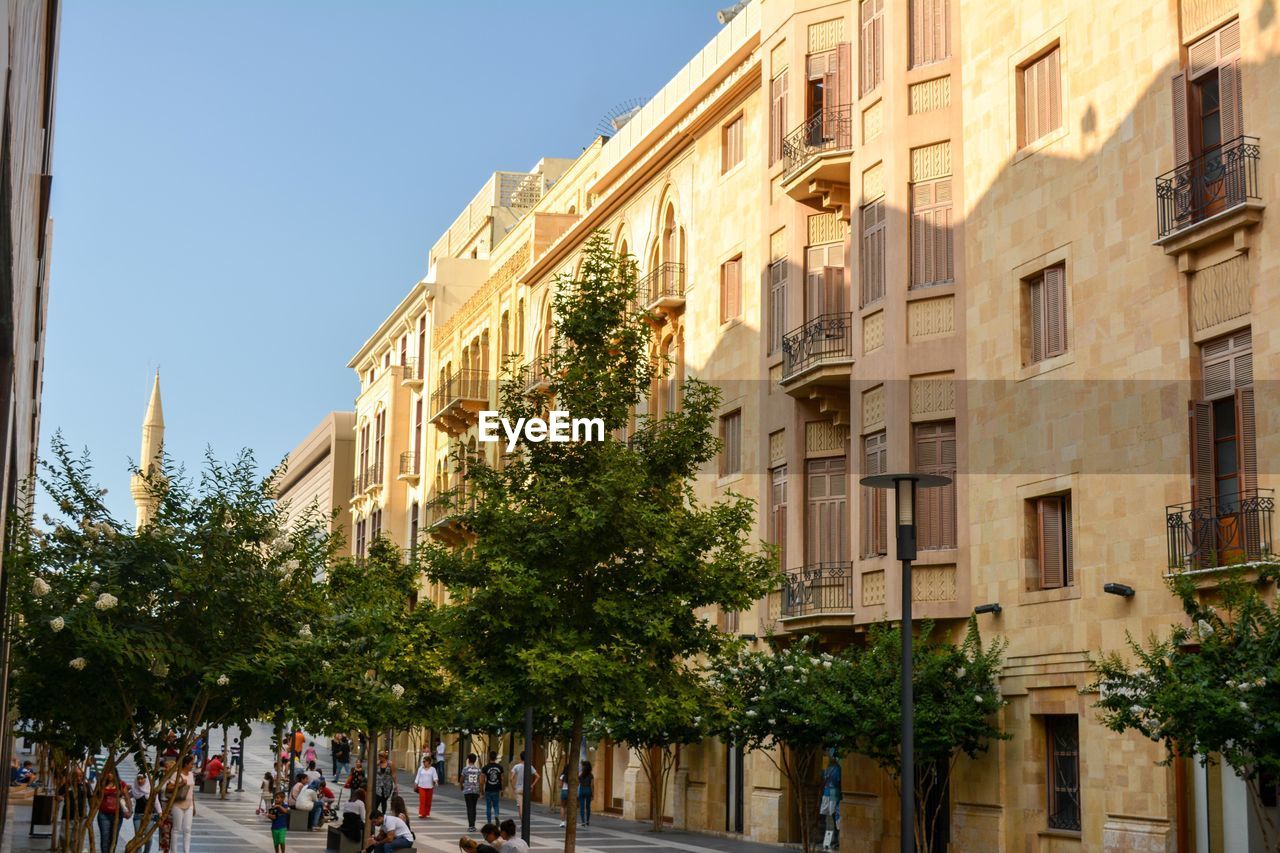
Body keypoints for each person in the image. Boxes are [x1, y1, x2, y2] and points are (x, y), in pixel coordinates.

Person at [96, 768, 130, 853]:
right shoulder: (102, 784)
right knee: (105, 838)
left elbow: (127, 798)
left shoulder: (121, 784)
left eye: (111, 773)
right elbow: (95, 797)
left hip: (117, 815)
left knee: (113, 838)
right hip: (103, 814)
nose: (109, 775)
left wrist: (130, 811)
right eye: (108, 773)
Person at [169, 754, 197, 853]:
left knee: (187, 829)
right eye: (191, 764)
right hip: (178, 804)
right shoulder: (176, 774)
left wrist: (194, 806)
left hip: (189, 805)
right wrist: (181, 784)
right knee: (176, 829)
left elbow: (191, 791)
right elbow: (169, 787)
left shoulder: (191, 774)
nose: (192, 766)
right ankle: (174, 851)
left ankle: (186, 851)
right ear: (186, 764)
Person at [819, 752, 842, 852]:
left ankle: (835, 839)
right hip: (827, 793)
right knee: (828, 816)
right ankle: (828, 838)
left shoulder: (837, 769)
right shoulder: (828, 768)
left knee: (834, 815)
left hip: (833, 793)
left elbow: (838, 781)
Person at [509, 753, 538, 822]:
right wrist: (532, 785)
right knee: (526, 806)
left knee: (520, 807)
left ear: (520, 758)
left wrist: (513, 787)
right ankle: (526, 821)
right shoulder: (530, 766)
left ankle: (523, 822)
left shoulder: (516, 766)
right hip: (527, 788)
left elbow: (511, 778)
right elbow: (538, 776)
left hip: (518, 789)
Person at [133, 772, 155, 853]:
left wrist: (160, 812)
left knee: (149, 838)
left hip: (149, 816)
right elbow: (127, 795)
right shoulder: (135, 789)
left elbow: (156, 802)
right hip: (137, 815)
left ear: (145, 779)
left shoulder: (151, 790)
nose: (140, 780)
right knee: (138, 837)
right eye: (138, 778)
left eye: (142, 778)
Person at [459, 752, 482, 831]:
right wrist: (480, 791)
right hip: (475, 790)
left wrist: (461, 786)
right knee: (474, 807)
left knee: (469, 808)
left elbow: (461, 779)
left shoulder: (465, 769)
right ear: (475, 760)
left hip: (468, 790)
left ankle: (470, 825)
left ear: (468, 760)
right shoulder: (478, 770)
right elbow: (480, 781)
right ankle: (473, 824)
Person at [480, 751, 503, 825]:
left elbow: (482, 780)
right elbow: (502, 779)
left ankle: (489, 822)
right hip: (496, 788)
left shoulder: (485, 767)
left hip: (488, 788)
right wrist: (502, 789)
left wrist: (482, 791)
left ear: (489, 757)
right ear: (496, 758)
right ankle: (496, 815)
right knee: (496, 805)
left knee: (488, 806)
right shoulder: (500, 767)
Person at [413, 755, 438, 819]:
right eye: (423, 762)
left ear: (429, 762)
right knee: (422, 800)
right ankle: (421, 813)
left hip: (429, 787)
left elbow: (435, 777)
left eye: (425, 762)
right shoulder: (420, 768)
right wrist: (416, 784)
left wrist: (435, 781)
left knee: (428, 801)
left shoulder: (433, 769)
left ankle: (427, 813)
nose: (424, 763)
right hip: (421, 786)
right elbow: (417, 777)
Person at [577, 761, 593, 827]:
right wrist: (592, 794)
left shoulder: (580, 774)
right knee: (588, 806)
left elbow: (578, 782)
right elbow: (592, 785)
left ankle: (583, 821)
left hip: (582, 789)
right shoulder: (591, 775)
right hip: (588, 789)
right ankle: (587, 821)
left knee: (582, 806)